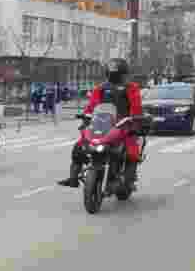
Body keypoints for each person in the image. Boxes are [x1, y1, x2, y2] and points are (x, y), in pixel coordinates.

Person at [58, 58, 143, 188]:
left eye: (117, 73)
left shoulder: (131, 88)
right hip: (103, 123)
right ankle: (74, 177)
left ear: (123, 73)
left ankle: (128, 179)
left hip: (123, 124)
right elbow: (92, 106)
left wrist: (135, 119)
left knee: (131, 150)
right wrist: (86, 117)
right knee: (80, 146)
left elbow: (135, 107)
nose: (114, 76)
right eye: (112, 73)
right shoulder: (100, 88)